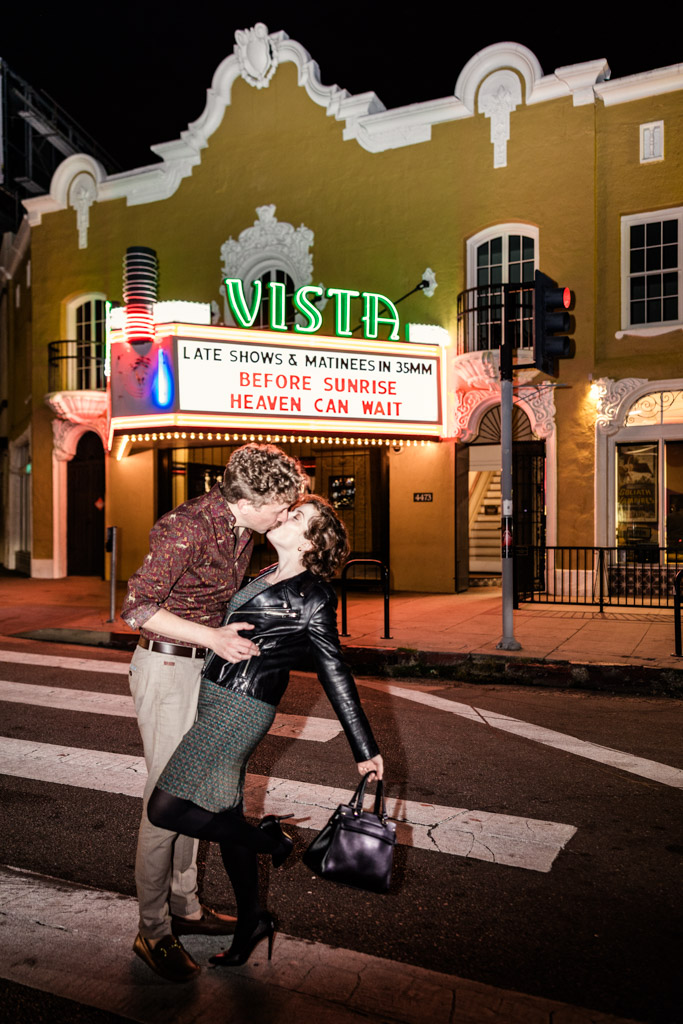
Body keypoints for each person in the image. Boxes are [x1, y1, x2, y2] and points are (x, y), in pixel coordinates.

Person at [146, 495, 383, 970]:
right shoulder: (266, 574)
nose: (285, 517)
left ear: (313, 542)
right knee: (226, 815)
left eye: (297, 517)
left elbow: (334, 669)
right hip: (216, 696)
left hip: (240, 709)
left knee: (165, 808)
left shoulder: (314, 595)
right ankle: (252, 920)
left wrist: (365, 747)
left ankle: (274, 841)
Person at [121, 443, 306, 983]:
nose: (284, 515)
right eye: (281, 507)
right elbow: (137, 606)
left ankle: (187, 906)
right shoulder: (186, 527)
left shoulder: (243, 528)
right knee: (166, 800)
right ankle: (152, 932)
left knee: (197, 792)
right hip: (168, 665)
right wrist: (212, 638)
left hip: (206, 666)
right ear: (250, 501)